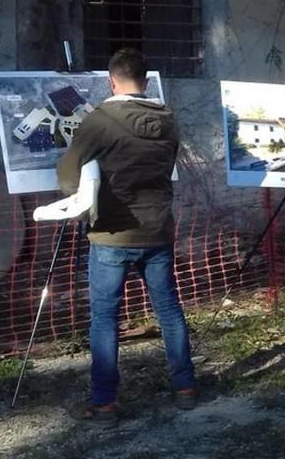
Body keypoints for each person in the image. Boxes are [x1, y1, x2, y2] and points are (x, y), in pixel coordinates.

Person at [57, 48, 196, 428]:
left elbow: (69, 174)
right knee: (168, 310)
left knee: (105, 317)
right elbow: (166, 164)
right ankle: (185, 388)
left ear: (110, 81)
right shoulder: (168, 119)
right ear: (146, 81)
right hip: (157, 228)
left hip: (111, 233)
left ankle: (104, 404)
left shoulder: (99, 121)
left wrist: (83, 195)